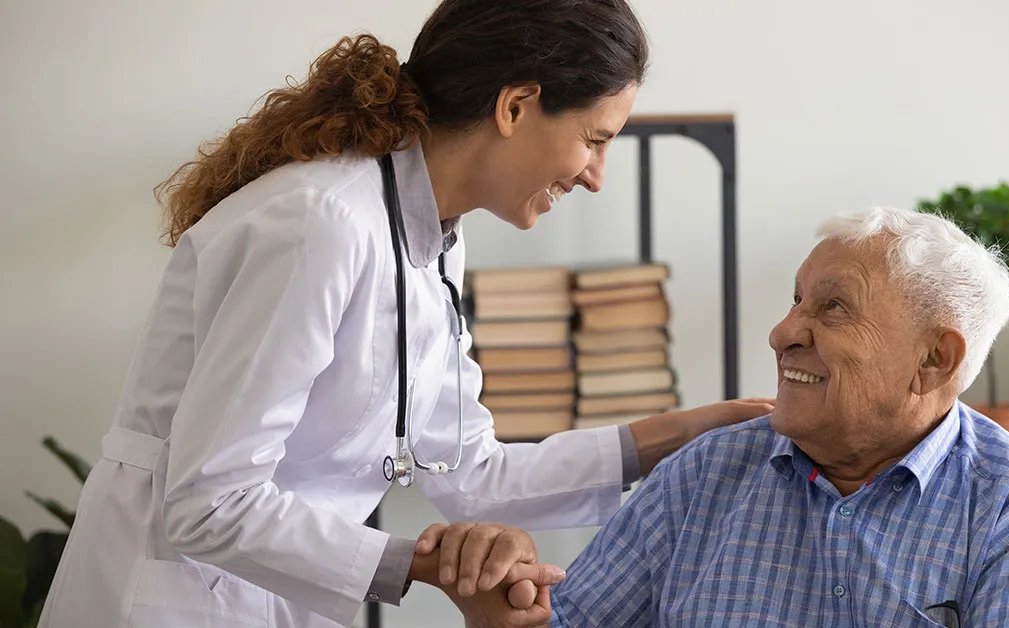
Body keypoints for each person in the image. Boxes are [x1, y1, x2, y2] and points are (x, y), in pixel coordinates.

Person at [36, 2, 775, 627]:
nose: (596, 176)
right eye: (593, 140)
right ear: (515, 106)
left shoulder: (431, 240)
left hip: (258, 596)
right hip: (166, 597)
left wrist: (679, 434)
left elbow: (470, 474)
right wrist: (425, 565)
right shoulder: (321, 223)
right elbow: (207, 503)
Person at [545, 206, 1009, 627]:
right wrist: (503, 600)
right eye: (796, 300)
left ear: (935, 360)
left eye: (833, 307)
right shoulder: (700, 476)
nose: (782, 333)